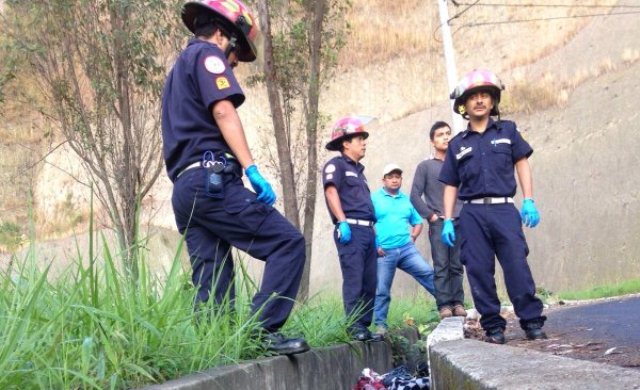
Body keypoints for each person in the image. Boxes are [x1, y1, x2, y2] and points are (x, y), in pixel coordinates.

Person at [161, 0, 308, 355]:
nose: (236, 61)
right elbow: (224, 111)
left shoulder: (176, 73)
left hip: (186, 189)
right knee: (287, 244)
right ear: (223, 34)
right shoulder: (207, 56)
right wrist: (252, 168)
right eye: (236, 49)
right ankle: (261, 331)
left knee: (212, 279)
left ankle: (218, 353)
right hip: (212, 180)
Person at [438, 69, 547, 344]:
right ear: (464, 105)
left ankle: (532, 321)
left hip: (504, 210)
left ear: (493, 101)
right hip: (472, 214)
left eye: (485, 95)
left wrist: (529, 199)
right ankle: (494, 327)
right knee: (478, 270)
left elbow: (522, 162)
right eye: (473, 96)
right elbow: (450, 184)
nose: (479, 100)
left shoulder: (508, 130)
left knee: (516, 266)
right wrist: (449, 219)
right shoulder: (456, 144)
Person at [322, 115, 383, 342]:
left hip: (367, 231)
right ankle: (353, 326)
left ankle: (364, 327)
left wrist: (374, 236)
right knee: (354, 279)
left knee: (370, 282)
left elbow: (366, 208)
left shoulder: (360, 173)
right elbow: (331, 191)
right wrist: (342, 221)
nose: (364, 142)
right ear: (345, 142)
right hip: (351, 230)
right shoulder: (335, 165)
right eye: (359, 138)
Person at [372, 163, 437, 336]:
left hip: (406, 249)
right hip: (384, 252)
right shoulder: (374, 198)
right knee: (382, 289)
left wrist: (413, 237)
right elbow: (368, 223)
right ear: (383, 180)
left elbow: (417, 222)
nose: (394, 180)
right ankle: (380, 325)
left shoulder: (405, 200)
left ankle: (446, 307)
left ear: (401, 180)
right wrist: (375, 244)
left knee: (428, 273)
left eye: (397, 177)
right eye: (390, 177)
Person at [410, 121, 467, 320]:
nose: (445, 137)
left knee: (457, 264)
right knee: (441, 265)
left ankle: (458, 303)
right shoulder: (425, 167)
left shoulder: (459, 165)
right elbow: (414, 196)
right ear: (432, 141)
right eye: (440, 134)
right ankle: (444, 305)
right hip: (439, 222)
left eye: (448, 133)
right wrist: (431, 216)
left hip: (459, 220)